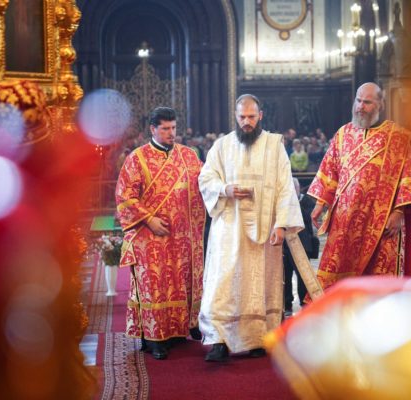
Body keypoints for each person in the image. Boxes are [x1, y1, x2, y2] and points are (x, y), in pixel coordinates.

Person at [198, 94, 304, 362]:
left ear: (261, 116)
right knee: (224, 283)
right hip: (229, 229)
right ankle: (219, 341)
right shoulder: (222, 146)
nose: (246, 122)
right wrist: (226, 189)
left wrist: (281, 224)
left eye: (251, 117)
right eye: (242, 117)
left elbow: (285, 186)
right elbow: (206, 177)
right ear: (235, 116)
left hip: (264, 230)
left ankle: (258, 337)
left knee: (259, 284)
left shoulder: (274, 145)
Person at [309, 82, 411, 290]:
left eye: (367, 102)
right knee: (338, 277)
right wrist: (320, 203)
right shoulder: (343, 134)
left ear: (380, 104)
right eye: (358, 101)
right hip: (345, 221)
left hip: (381, 222)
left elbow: (407, 178)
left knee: (379, 281)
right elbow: (330, 171)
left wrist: (398, 213)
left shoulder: (397, 137)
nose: (361, 106)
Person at [115, 107, 205, 360]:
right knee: (154, 286)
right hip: (150, 237)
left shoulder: (189, 156)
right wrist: (149, 219)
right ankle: (154, 338)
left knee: (179, 283)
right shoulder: (137, 158)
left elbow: (206, 184)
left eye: (173, 128)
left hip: (183, 237)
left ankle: (178, 331)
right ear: (153, 129)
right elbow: (125, 197)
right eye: (165, 129)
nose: (171, 133)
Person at [283, 178, 318, 317]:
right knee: (285, 276)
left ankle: (304, 303)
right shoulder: (282, 203)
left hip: (303, 245)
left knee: (303, 276)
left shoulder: (307, 202)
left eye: (294, 189)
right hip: (284, 246)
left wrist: (295, 203)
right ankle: (287, 305)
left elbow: (309, 219)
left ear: (298, 189)